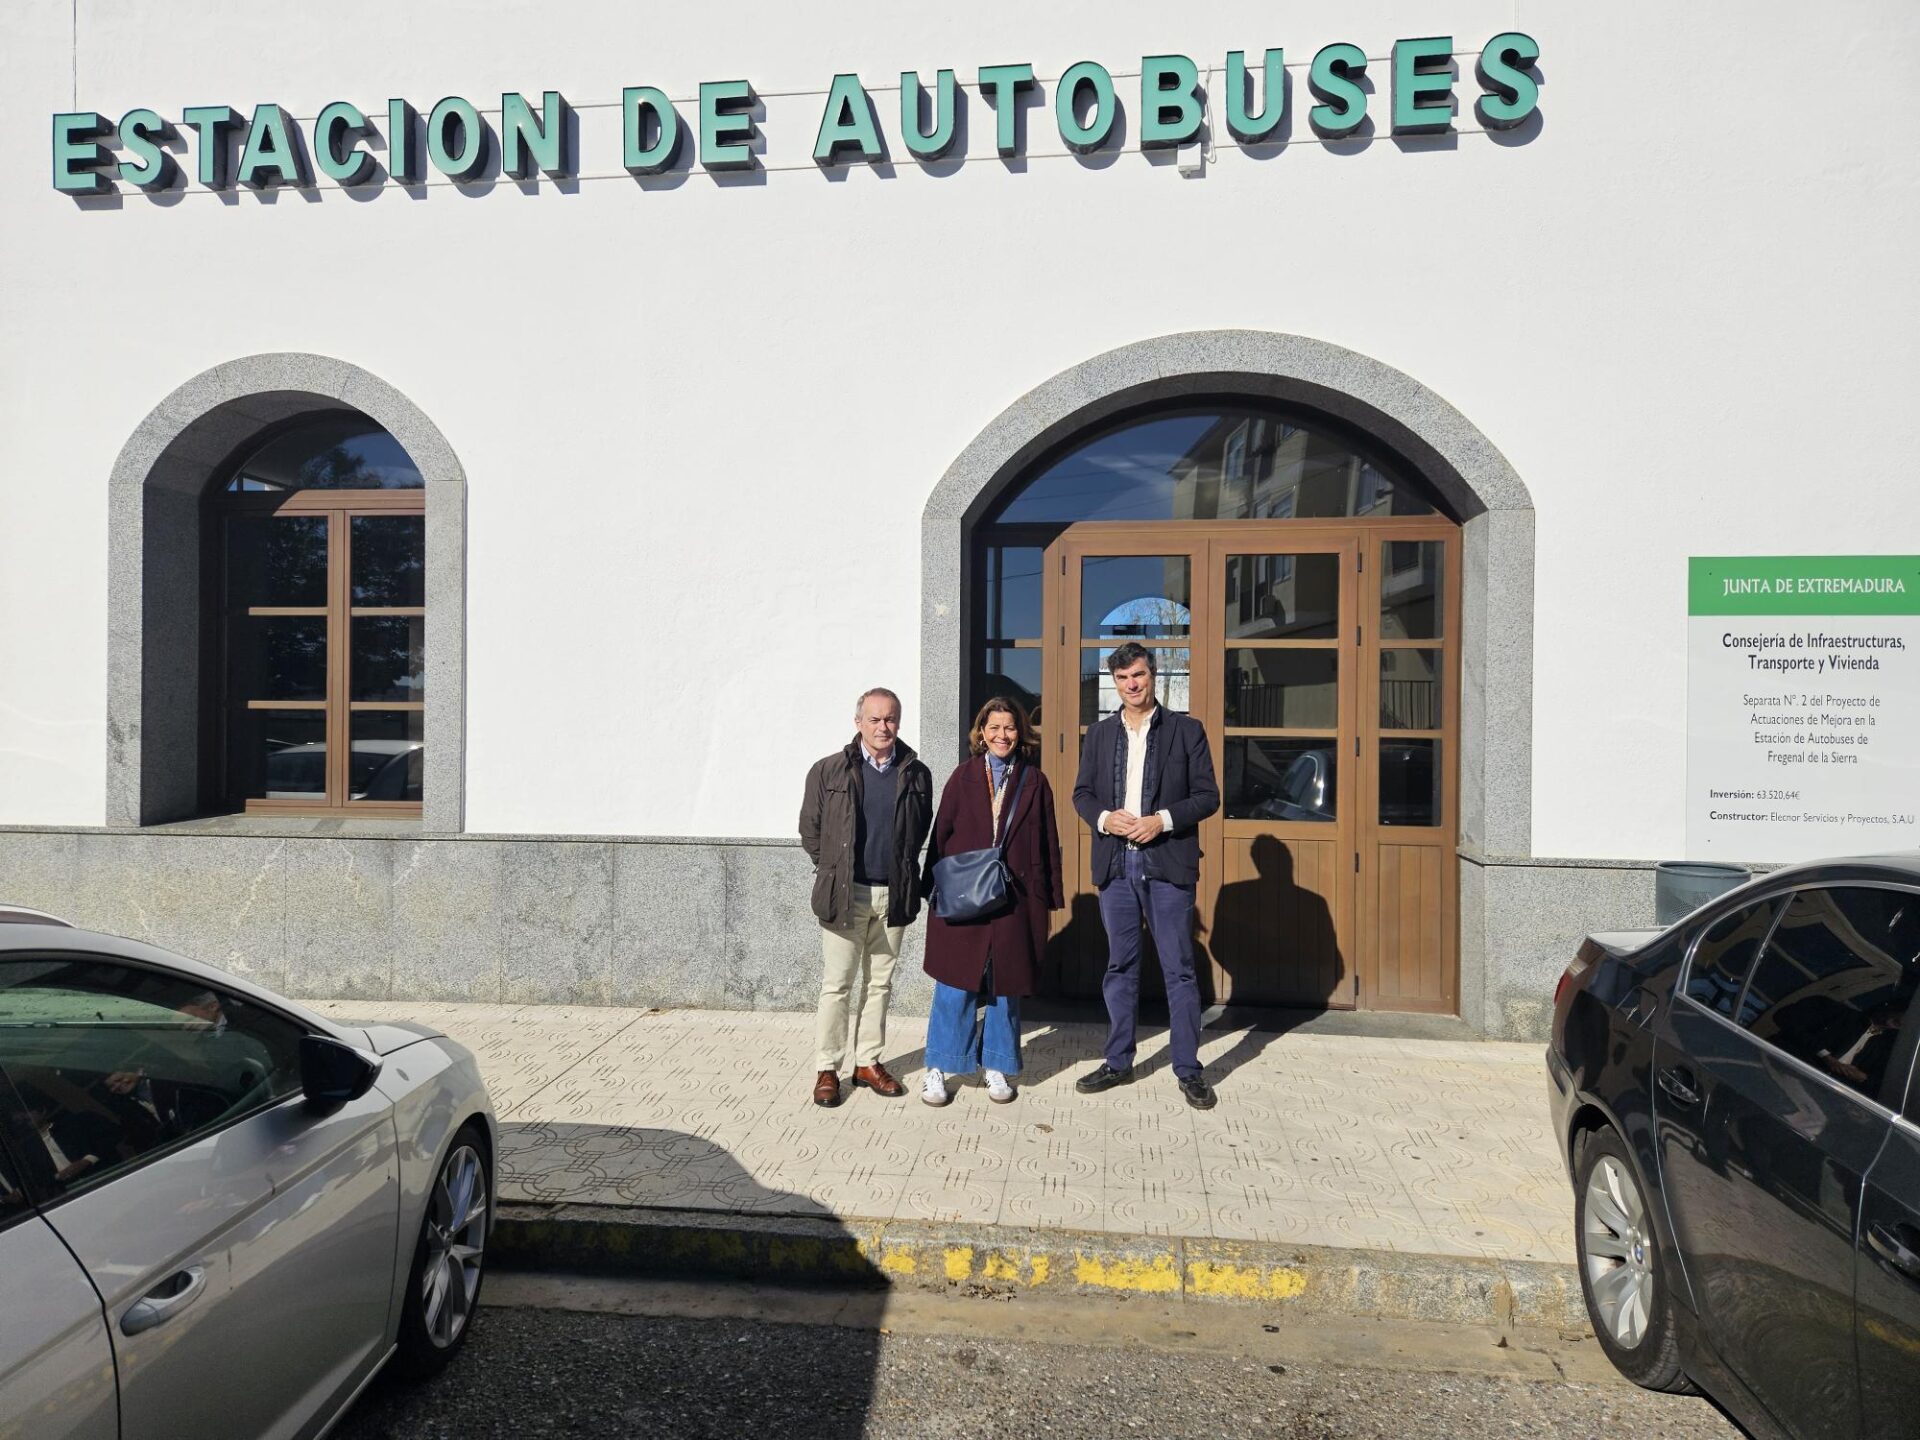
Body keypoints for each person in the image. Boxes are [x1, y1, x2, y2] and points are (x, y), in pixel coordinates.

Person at [1071, 642, 1222, 1109]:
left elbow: (1207, 796)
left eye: (1138, 675)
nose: (1131, 685)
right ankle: (1118, 1061)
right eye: (1122, 678)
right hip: (1117, 863)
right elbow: (1082, 794)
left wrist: (1162, 820)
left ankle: (1188, 1070)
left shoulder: (1186, 731)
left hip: (1166, 861)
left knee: (1178, 971)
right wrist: (1103, 819)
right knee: (1120, 966)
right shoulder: (1098, 735)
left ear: (1153, 675)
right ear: (1113, 682)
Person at [919, 697, 1064, 1106]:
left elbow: (1049, 842)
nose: (1002, 735)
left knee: (1007, 985)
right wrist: (931, 888)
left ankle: (997, 1064)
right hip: (965, 894)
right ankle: (939, 1067)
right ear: (981, 733)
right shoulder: (962, 777)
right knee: (954, 983)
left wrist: (1051, 895)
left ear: (1021, 733)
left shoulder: (1035, 781)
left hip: (1016, 897)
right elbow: (940, 834)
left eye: (1010, 728)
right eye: (994, 728)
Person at [799, 687, 935, 1107]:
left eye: (890, 719)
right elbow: (811, 831)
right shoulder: (828, 770)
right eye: (874, 719)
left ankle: (868, 1062)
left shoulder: (916, 772)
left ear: (899, 721)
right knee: (837, 986)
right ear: (858, 722)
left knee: (880, 985)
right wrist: (836, 871)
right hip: (846, 895)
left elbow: (919, 829)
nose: (883, 727)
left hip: (893, 896)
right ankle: (827, 1068)